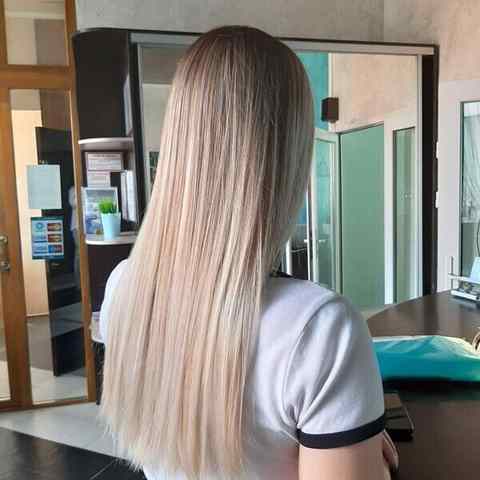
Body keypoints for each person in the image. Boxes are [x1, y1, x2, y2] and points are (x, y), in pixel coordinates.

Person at [99, 26, 398, 480]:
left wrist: (344, 432)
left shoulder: (123, 286)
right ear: (290, 156)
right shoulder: (320, 329)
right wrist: (361, 451)